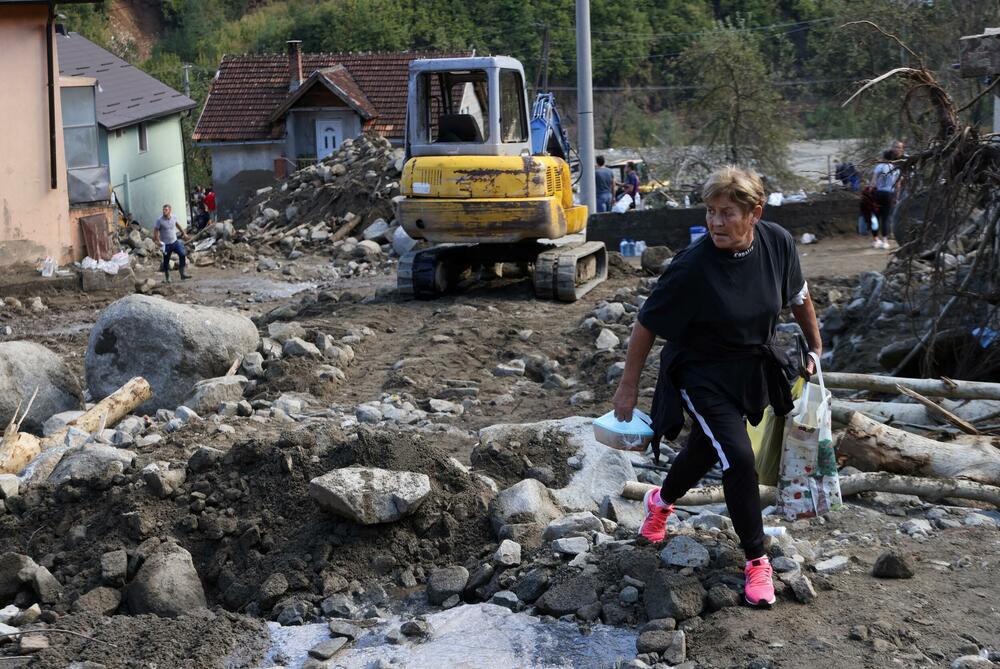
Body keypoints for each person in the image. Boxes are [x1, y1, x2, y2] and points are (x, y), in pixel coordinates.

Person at [612, 165, 822, 608]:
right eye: (710, 212)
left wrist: (816, 349)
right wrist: (628, 388)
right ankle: (756, 560)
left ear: (755, 214)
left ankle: (659, 501)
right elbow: (646, 325)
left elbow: (799, 296)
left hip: (753, 369)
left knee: (709, 448)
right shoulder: (692, 266)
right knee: (739, 458)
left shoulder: (778, 244)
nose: (716, 223)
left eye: (727, 213)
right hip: (700, 373)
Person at [153, 204, 189, 282]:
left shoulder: (174, 217)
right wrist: (158, 241)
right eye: (163, 210)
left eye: (166, 210)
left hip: (174, 242)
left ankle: (182, 272)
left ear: (170, 210)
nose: (164, 211)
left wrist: (184, 233)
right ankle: (167, 277)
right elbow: (156, 230)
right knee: (166, 260)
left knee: (182, 254)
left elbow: (177, 225)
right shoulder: (159, 220)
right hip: (165, 244)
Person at [871, 149, 899, 249]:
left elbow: (873, 182)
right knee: (886, 218)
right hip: (890, 194)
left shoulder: (879, 167)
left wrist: (870, 192)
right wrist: (897, 196)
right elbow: (897, 185)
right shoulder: (896, 169)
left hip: (879, 194)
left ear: (884, 157)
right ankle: (885, 241)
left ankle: (875, 240)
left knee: (875, 217)